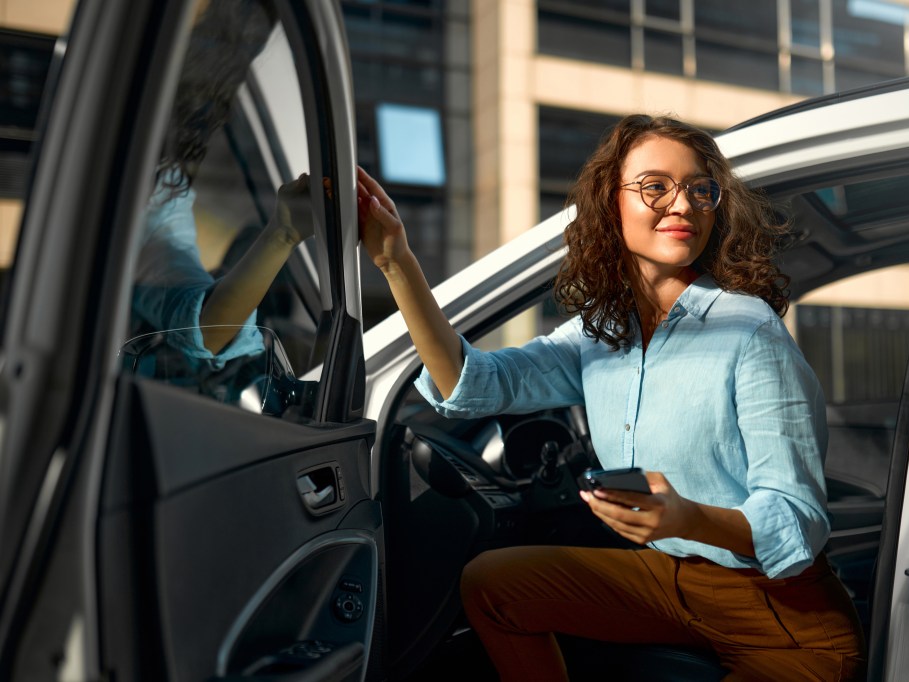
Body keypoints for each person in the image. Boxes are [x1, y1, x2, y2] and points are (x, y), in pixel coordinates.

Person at [357, 114, 867, 681]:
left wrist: (685, 517)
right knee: (493, 585)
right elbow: (472, 382)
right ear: (610, 204)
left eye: (700, 190)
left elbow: (796, 521)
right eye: (656, 187)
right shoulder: (602, 334)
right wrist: (394, 261)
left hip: (784, 615)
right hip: (673, 581)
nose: (683, 206)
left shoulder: (749, 332)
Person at [131, 0, 313, 366]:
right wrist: (284, 234)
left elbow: (205, 330)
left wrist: (285, 233)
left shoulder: (156, 197)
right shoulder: (157, 195)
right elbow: (205, 331)